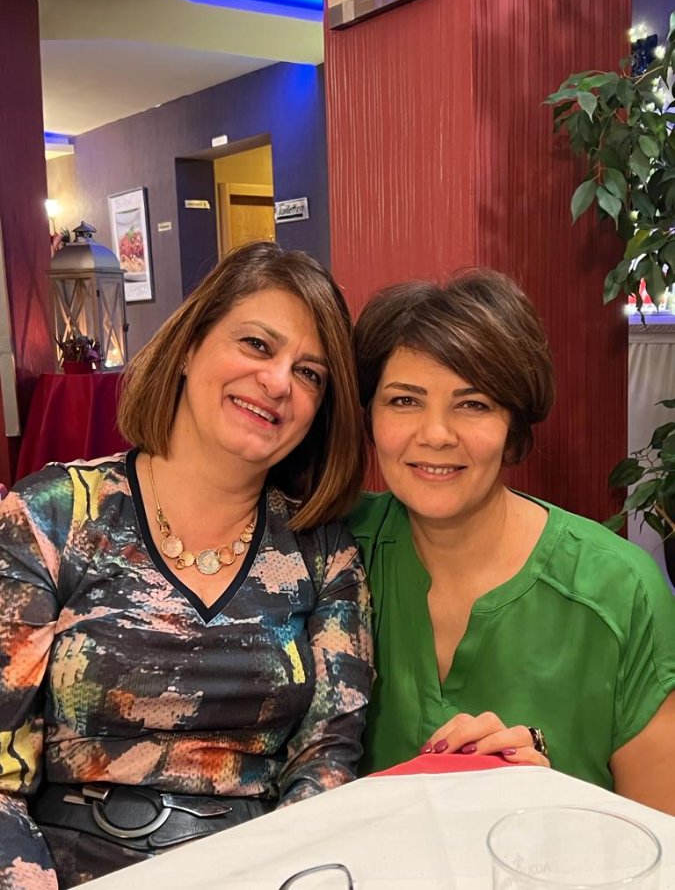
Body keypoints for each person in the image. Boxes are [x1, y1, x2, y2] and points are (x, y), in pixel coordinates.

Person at [0, 241, 374, 888]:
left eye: (310, 373)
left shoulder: (323, 552)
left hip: (255, 869)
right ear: (188, 346)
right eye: (256, 344)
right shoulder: (52, 515)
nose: (278, 382)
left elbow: (326, 765)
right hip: (65, 868)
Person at [348, 268, 675, 814]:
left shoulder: (620, 591)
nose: (435, 434)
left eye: (473, 404)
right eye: (404, 401)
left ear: (514, 427)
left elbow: (660, 837)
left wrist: (547, 798)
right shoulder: (333, 554)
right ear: (369, 417)